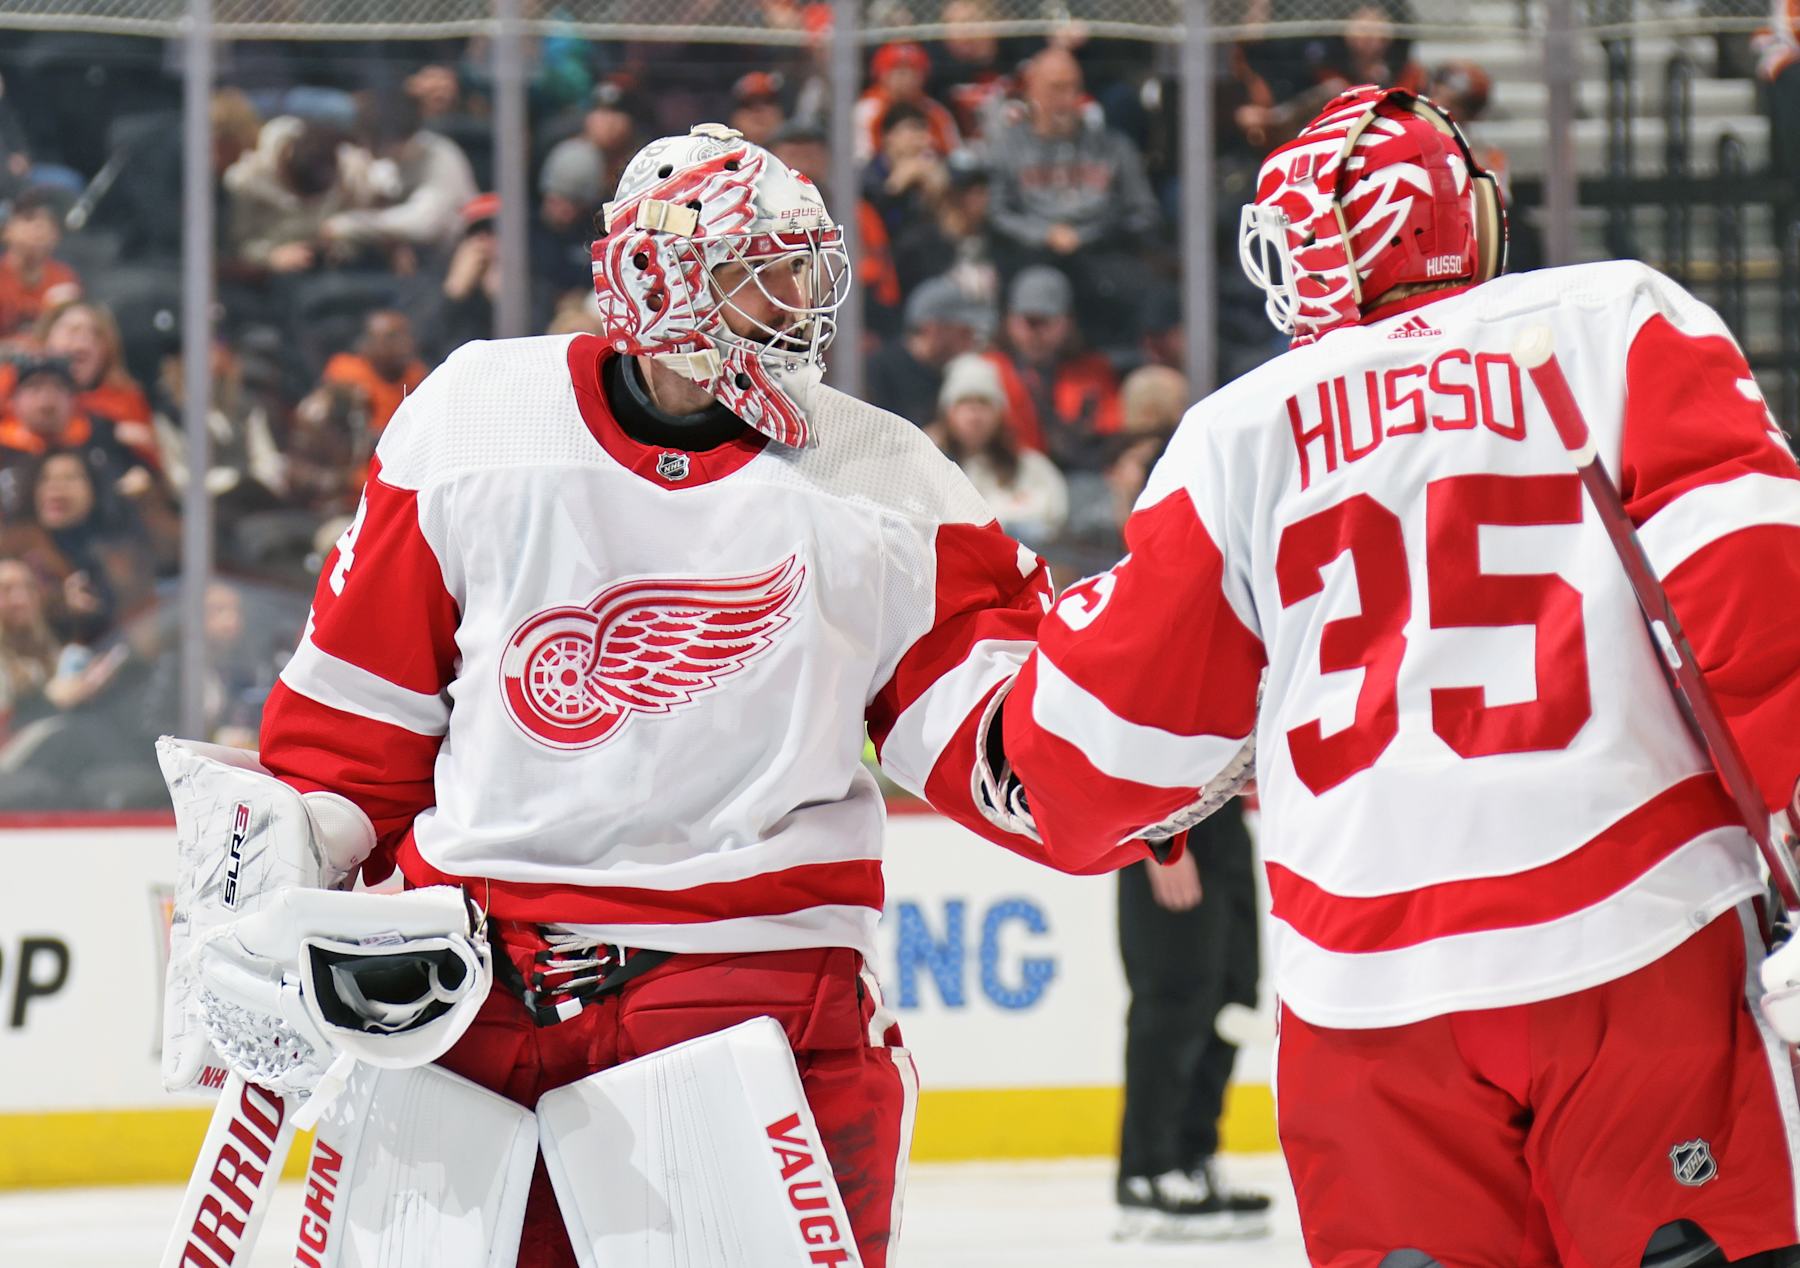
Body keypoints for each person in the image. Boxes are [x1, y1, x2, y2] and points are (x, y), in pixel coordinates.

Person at [231, 121, 1142, 1267]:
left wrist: (1137, 735)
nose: (803, 301)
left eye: (806, 267)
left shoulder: (879, 473)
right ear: (658, 282)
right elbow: (352, 739)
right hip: (469, 997)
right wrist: (263, 880)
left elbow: (990, 730)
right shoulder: (476, 419)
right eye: (762, 271)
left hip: (743, 988)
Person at [982, 85, 1800, 1266]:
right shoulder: (1613, 317)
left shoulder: (1236, 431)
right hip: (1640, 939)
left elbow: (1093, 753)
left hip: (1366, 999)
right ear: (1460, 215)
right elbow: (1756, 593)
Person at [927, 352, 1067, 550]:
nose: (974, 414)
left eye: (984, 402)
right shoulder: (927, 467)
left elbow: (1051, 518)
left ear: (1000, 413)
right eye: (965, 402)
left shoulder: (1032, 468)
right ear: (947, 412)